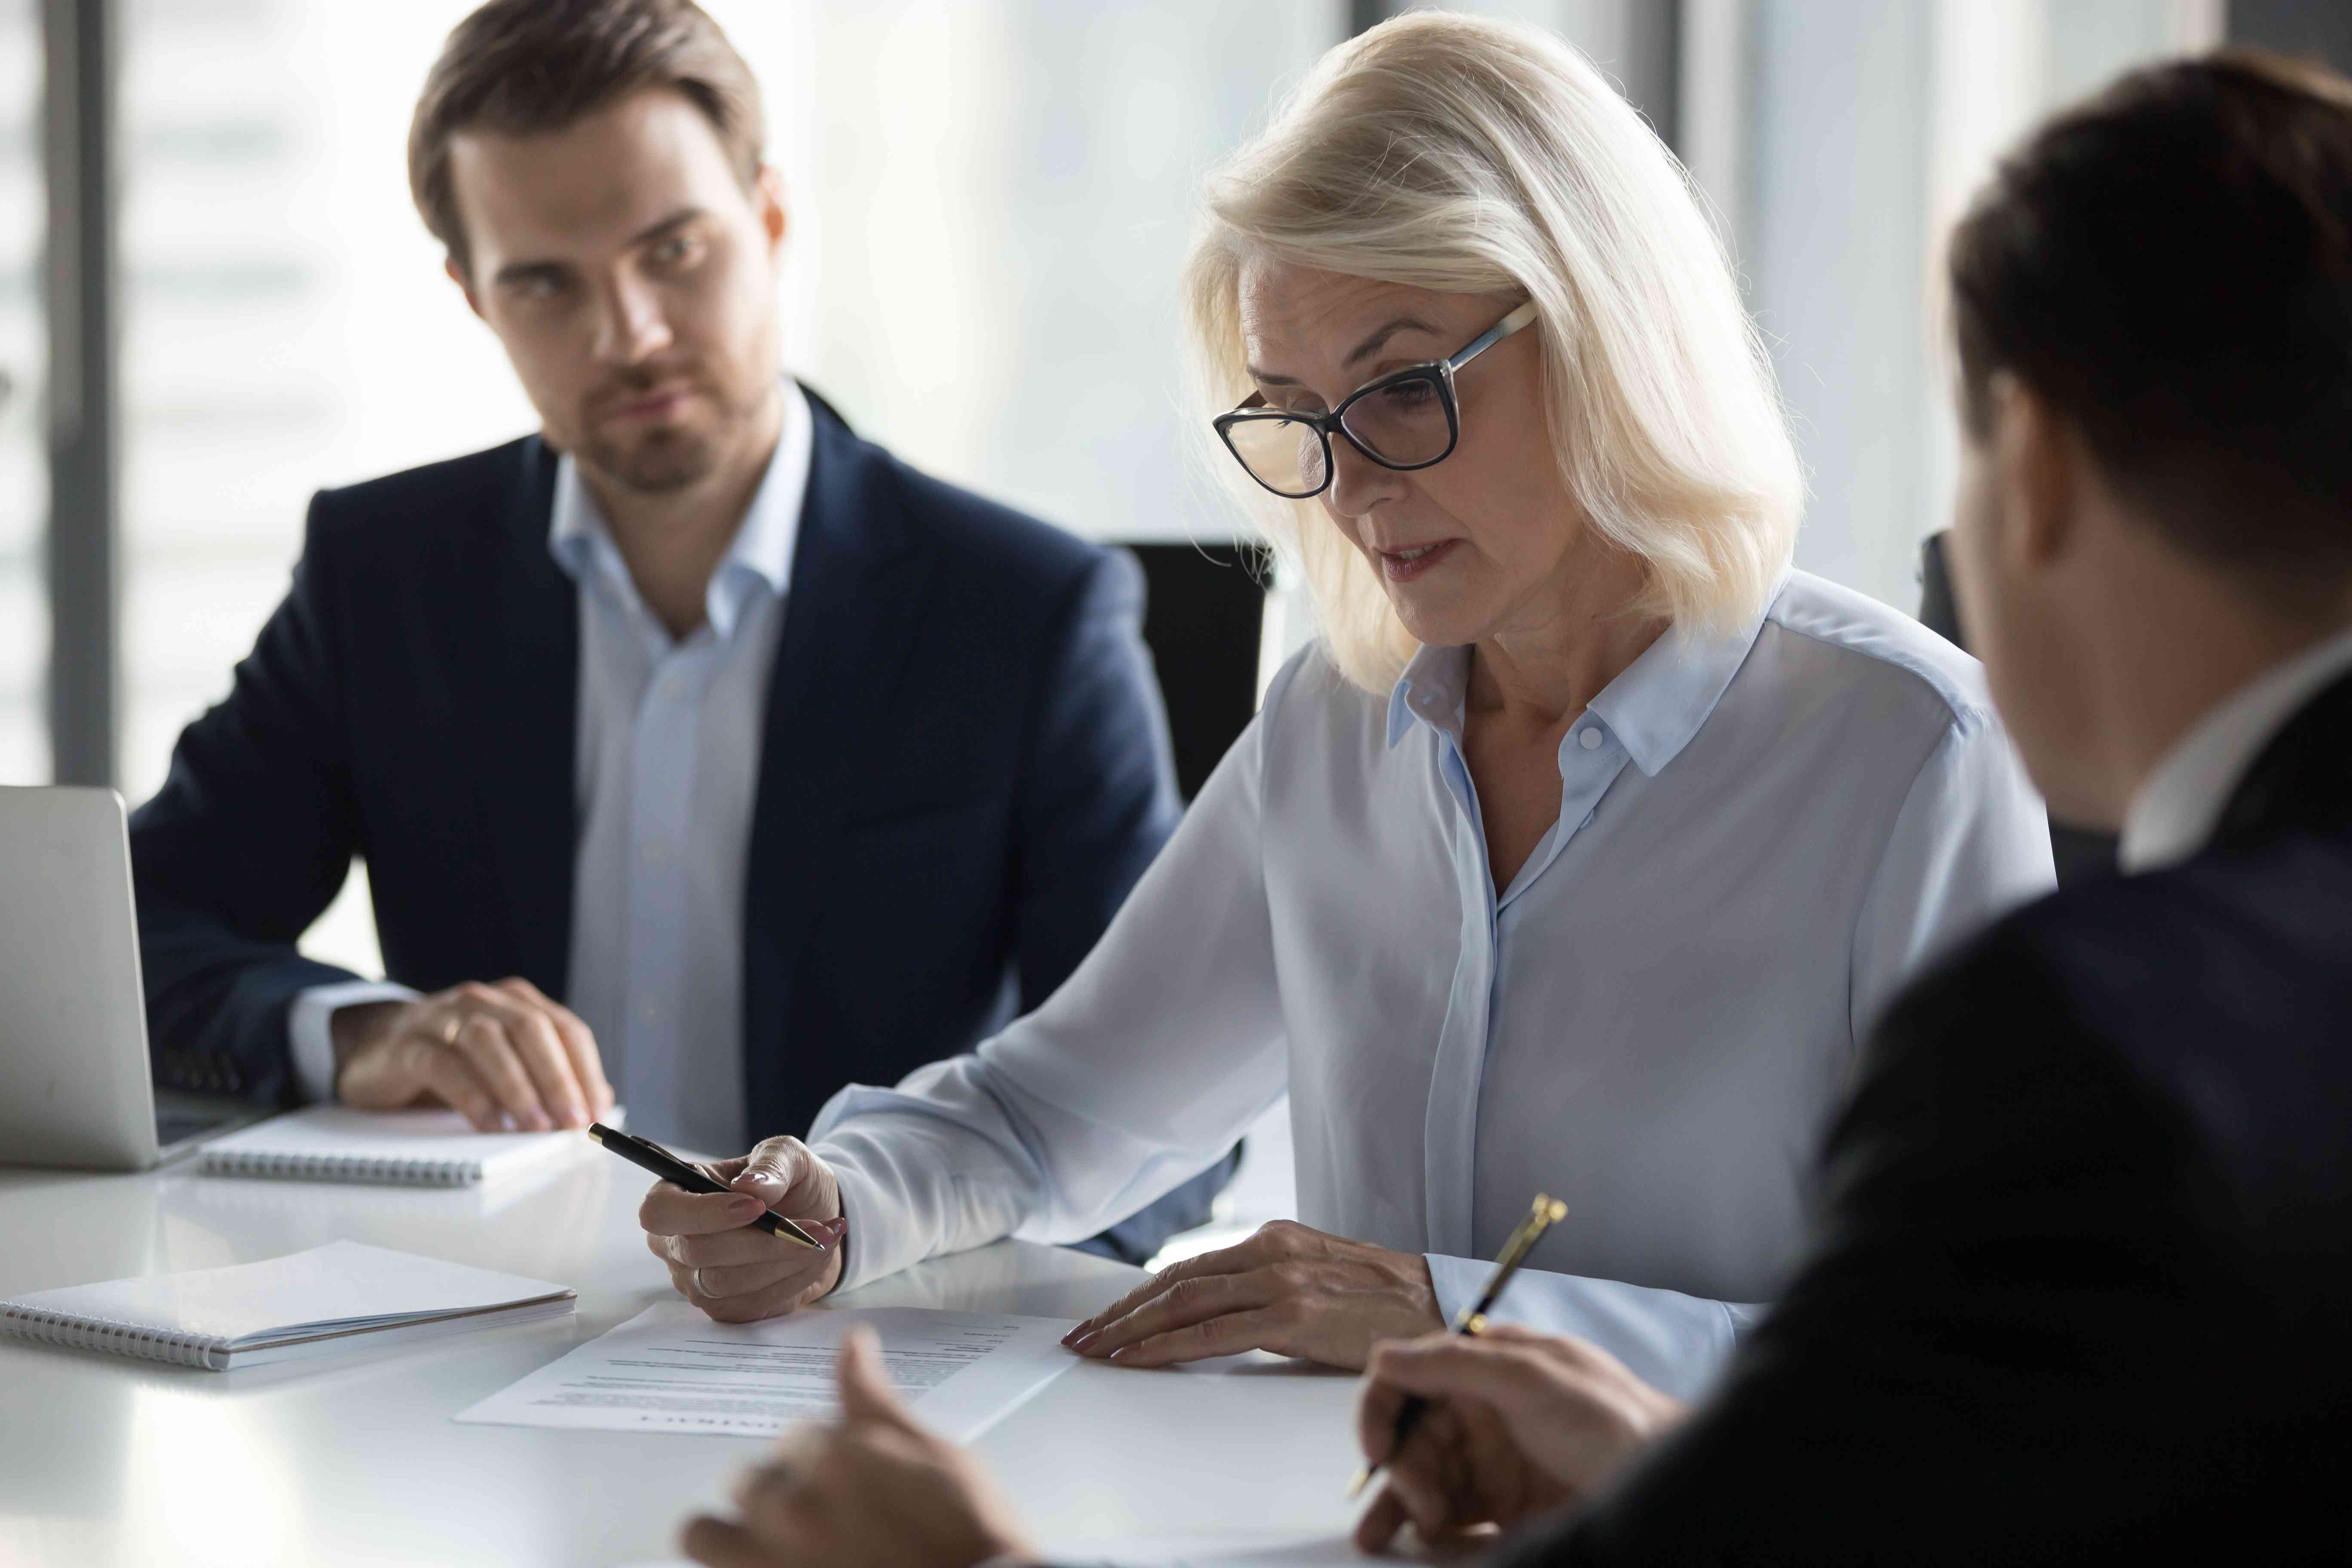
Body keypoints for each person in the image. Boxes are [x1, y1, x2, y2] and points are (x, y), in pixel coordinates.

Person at [669, 45, 2352, 1568]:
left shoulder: (1901, 749)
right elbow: (1058, 1111)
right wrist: (840, 1200)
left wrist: (1457, 1317)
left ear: (1601, 332)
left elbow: (1950, 1384)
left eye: (1405, 387)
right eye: (1299, 417)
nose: (1354, 480)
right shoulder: (1339, 721)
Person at [129, 0, 1233, 1265]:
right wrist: (360, 1036)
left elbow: (1167, 1127)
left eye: (675, 251)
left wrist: (923, 1269)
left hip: (872, 1339)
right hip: (475, 1331)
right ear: (473, 297)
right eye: (546, 283)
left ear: (769, 218)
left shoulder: (1027, 612)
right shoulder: (385, 576)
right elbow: (124, 950)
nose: (628, 335)